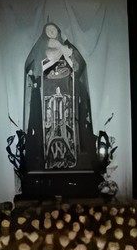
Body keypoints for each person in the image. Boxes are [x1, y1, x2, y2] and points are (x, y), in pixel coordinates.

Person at [23, 21, 96, 172]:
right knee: (49, 127)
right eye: (48, 30)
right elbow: (35, 69)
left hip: (66, 96)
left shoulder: (66, 47)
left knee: (66, 128)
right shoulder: (40, 50)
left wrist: (61, 47)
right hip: (47, 98)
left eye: (53, 29)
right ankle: (49, 159)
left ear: (58, 31)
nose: (51, 32)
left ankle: (68, 157)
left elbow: (76, 65)